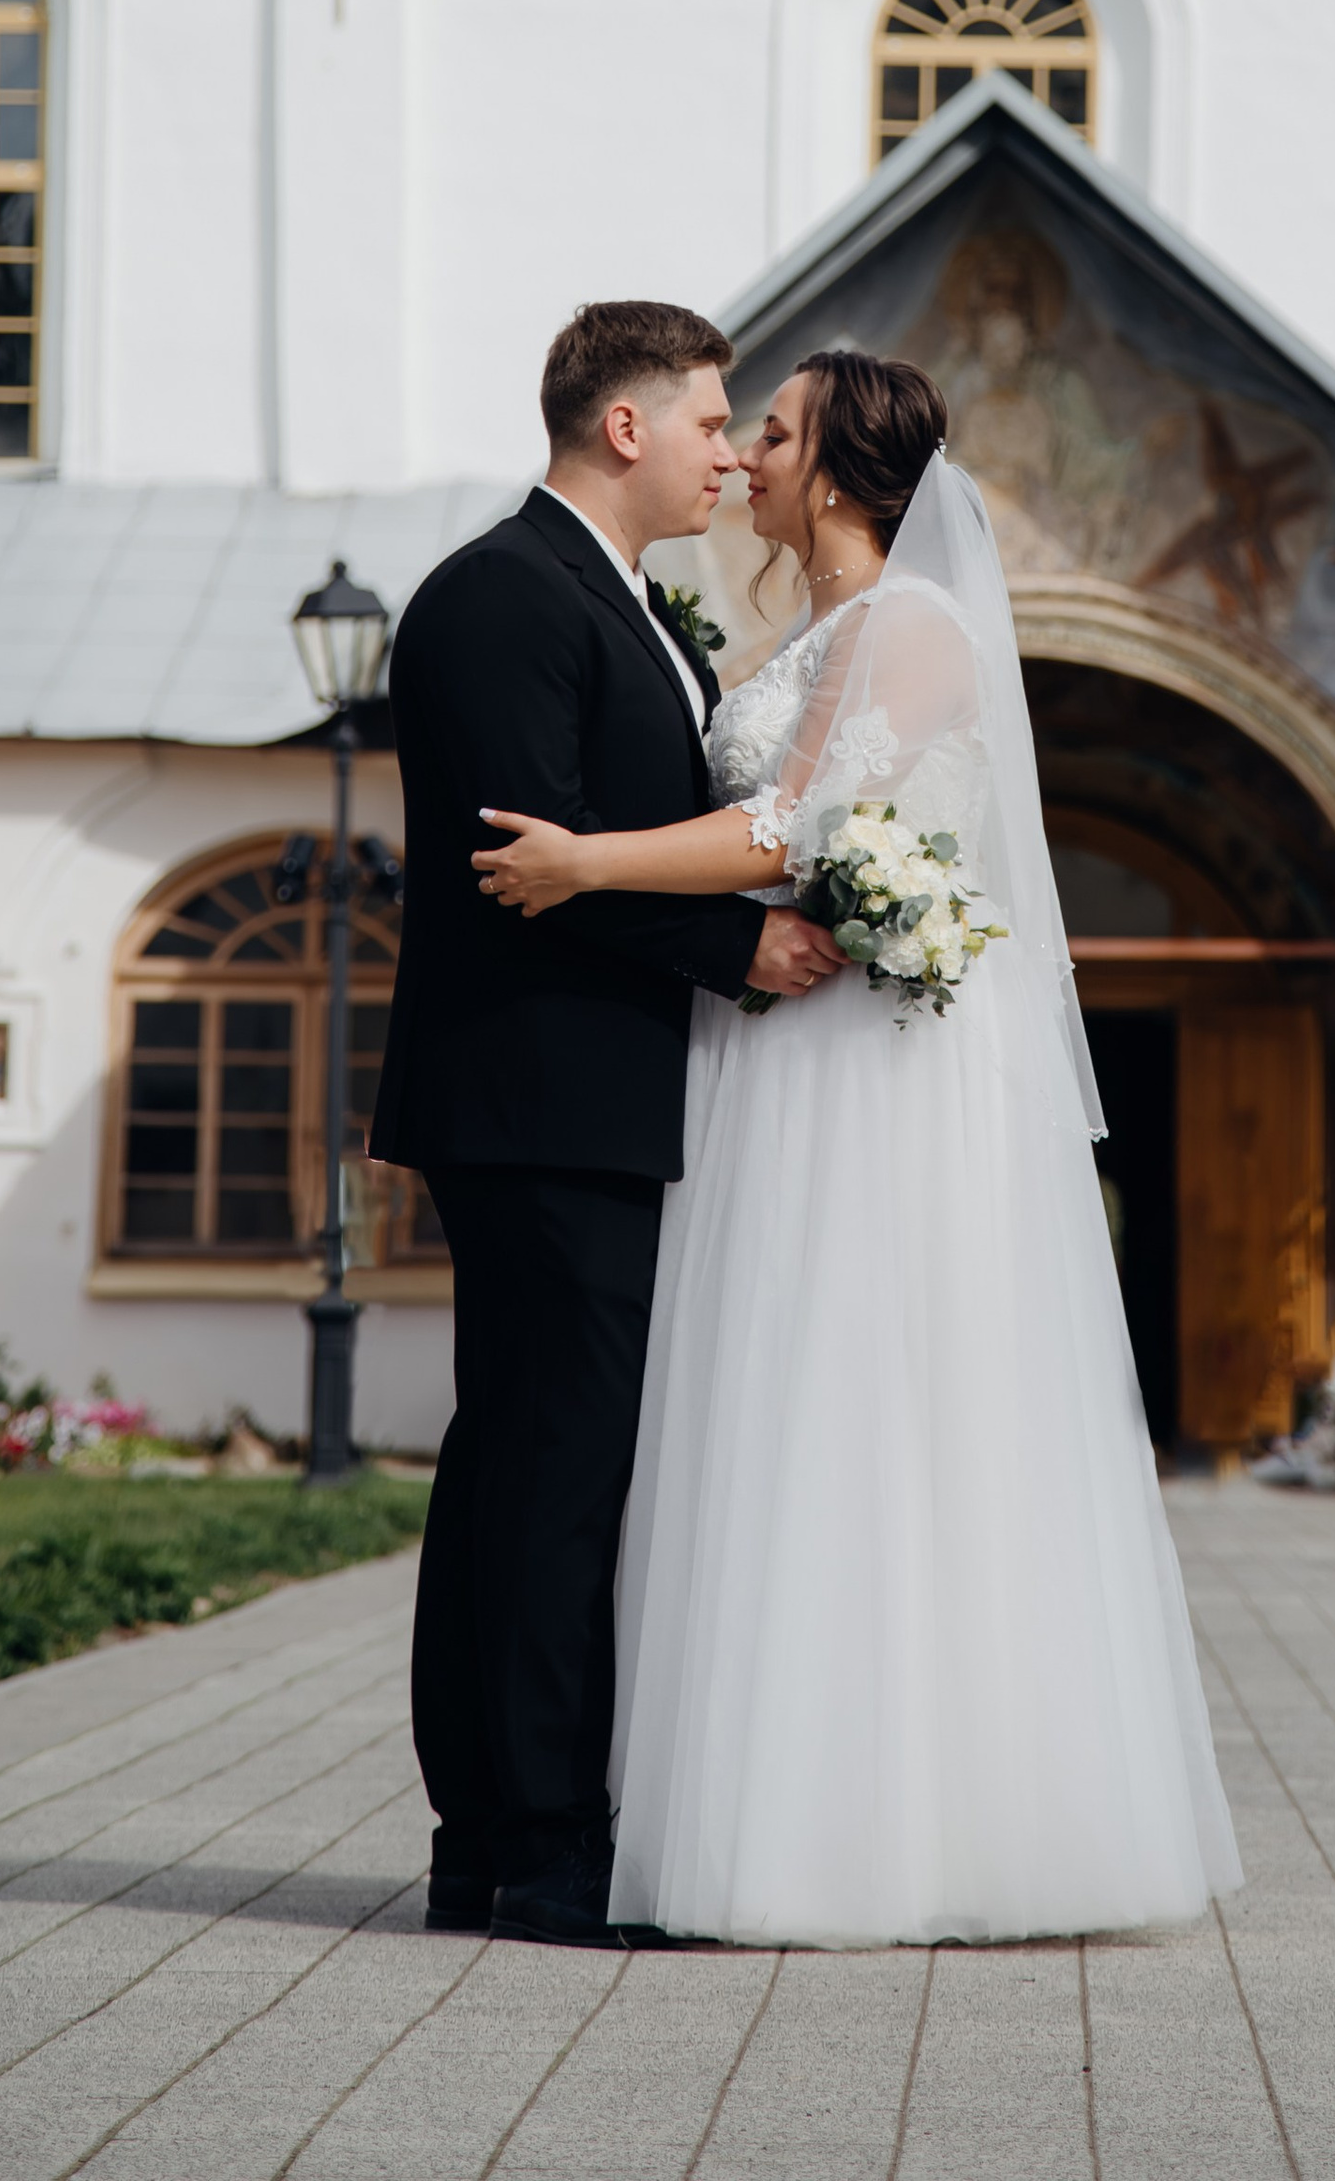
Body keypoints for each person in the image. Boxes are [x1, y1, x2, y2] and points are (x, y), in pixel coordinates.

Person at [473, 348, 1242, 1947]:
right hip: (776, 1052)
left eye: (772, 427)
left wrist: (587, 863)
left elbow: (791, 826)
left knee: (864, 1407)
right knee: (768, 1412)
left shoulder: (915, 628)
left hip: (866, 1077)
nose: (744, 451)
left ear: (830, 471)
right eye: (735, 423)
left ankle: (892, 1834)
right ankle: (763, 1813)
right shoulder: (807, 635)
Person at [367, 300, 844, 1952]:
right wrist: (737, 948)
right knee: (551, 1477)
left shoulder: (630, 606)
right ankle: (538, 1846)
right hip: (534, 1096)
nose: (730, 454)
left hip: (597, 1100)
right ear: (623, 426)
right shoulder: (503, 593)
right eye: (712, 421)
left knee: (530, 1466)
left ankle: (490, 1840)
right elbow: (529, 858)